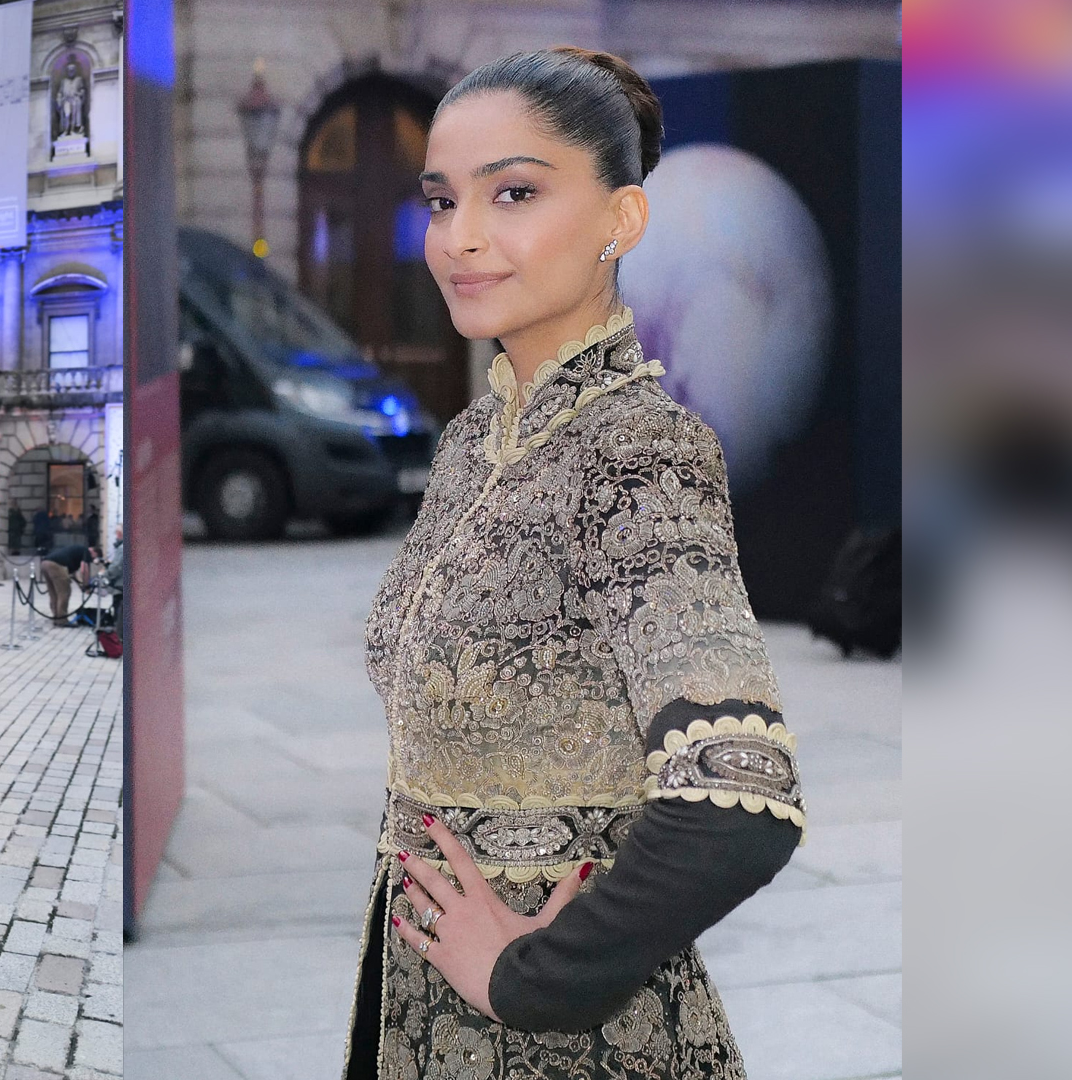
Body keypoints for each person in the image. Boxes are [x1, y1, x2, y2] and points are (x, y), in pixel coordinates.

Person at [344, 49, 803, 1079]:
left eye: (513, 193)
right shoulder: (474, 440)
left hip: (561, 1043)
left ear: (621, 221)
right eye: (440, 199)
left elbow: (742, 798)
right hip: (416, 1016)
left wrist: (537, 977)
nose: (460, 237)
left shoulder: (640, 453)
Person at [37, 543, 95, 626]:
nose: (92, 560)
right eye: (93, 558)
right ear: (94, 552)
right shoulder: (86, 551)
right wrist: (87, 585)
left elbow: (73, 574)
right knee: (64, 593)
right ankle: (62, 620)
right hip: (57, 565)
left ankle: (56, 616)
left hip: (45, 563)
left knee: (54, 593)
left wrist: (81, 585)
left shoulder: (76, 552)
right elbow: (84, 570)